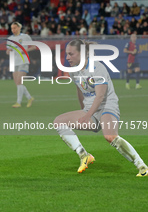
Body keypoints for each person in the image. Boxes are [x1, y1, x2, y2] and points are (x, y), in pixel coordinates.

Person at [54, 39, 148, 176]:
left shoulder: (97, 68)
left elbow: (100, 97)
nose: (67, 57)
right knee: (58, 122)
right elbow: (79, 90)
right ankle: (84, 155)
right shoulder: (73, 71)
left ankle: (142, 166)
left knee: (110, 136)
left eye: (71, 54)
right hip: (90, 110)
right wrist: (83, 110)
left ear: (82, 54)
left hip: (107, 106)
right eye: (67, 54)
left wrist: (87, 116)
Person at [6, 22, 35, 108]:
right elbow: (8, 50)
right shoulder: (10, 39)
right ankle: (30, 98)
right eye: (12, 28)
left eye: (15, 28)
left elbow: (34, 47)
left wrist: (26, 51)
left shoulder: (25, 36)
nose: (13, 30)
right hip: (15, 62)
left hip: (24, 61)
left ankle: (18, 102)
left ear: (19, 28)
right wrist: (8, 51)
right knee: (18, 83)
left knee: (19, 82)